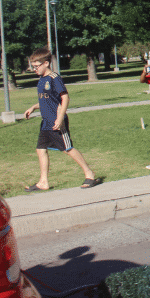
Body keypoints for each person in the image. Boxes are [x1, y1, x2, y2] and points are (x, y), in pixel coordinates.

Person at [22, 47, 96, 191]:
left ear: (46, 63)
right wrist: (33, 107)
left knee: (67, 148)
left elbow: (65, 98)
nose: (34, 69)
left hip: (56, 121)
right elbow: (48, 100)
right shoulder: (42, 80)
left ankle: (90, 173)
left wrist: (60, 118)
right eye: (33, 66)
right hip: (46, 122)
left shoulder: (55, 78)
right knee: (40, 149)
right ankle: (43, 182)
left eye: (37, 66)